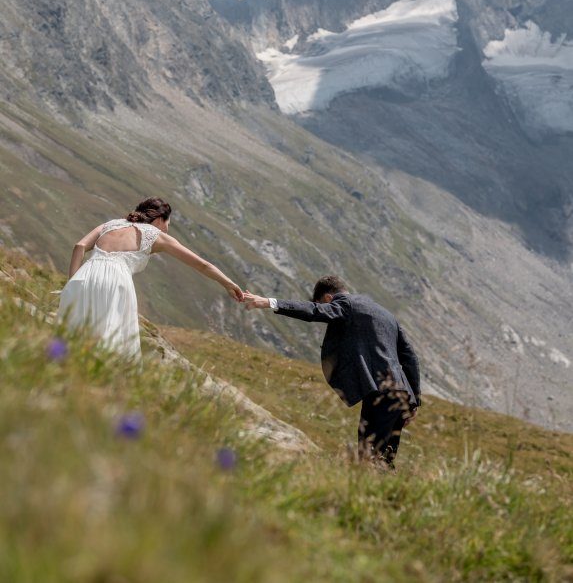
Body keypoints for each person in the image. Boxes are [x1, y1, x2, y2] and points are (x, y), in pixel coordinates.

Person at [243, 275, 420, 466]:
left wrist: (269, 302)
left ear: (328, 298)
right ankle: (388, 492)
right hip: (402, 394)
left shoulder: (345, 304)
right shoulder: (387, 315)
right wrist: (414, 401)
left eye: (323, 303)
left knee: (368, 459)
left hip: (380, 392)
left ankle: (369, 492)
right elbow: (410, 357)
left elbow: (314, 311)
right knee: (384, 459)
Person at [57, 197, 243, 359]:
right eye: (169, 223)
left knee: (74, 336)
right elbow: (202, 264)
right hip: (116, 282)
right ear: (161, 219)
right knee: (111, 342)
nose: (168, 229)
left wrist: (72, 282)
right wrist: (227, 282)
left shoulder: (110, 224)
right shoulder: (157, 236)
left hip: (85, 275)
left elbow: (79, 246)